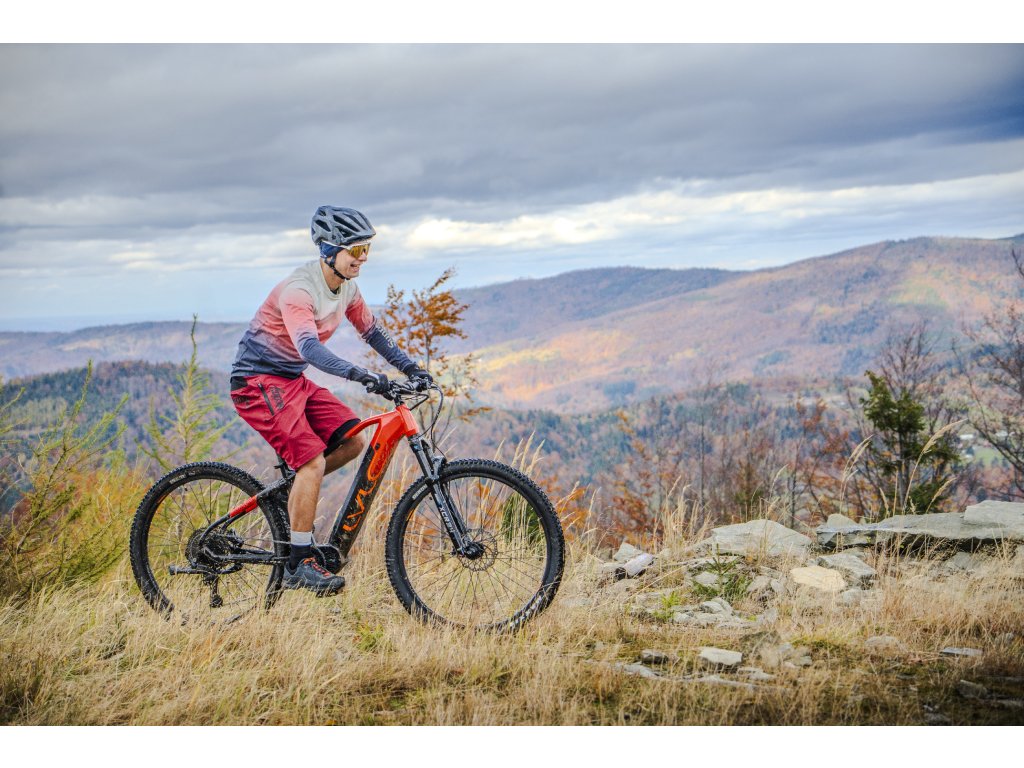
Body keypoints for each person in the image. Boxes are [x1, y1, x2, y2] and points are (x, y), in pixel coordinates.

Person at [229, 206, 432, 595]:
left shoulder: (347, 289)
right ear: (329, 249)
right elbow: (309, 349)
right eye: (355, 250)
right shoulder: (299, 291)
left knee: (353, 441)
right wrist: (363, 375)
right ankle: (297, 564)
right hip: (257, 382)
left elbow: (373, 333)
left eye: (367, 249)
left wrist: (412, 368)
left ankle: (294, 492)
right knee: (312, 462)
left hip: (290, 380)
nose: (363, 258)